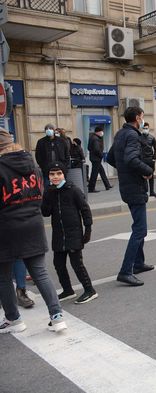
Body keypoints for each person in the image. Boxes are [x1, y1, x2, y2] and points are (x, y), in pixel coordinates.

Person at [0, 129, 67, 333]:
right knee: (40, 272)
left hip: (6, 227)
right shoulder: (33, 166)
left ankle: (14, 319)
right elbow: (40, 194)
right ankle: (57, 317)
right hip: (33, 223)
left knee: (3, 277)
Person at [107, 107, 154, 287]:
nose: (143, 120)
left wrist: (125, 172)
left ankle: (138, 263)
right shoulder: (133, 136)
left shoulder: (121, 134)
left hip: (127, 186)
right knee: (140, 229)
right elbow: (131, 159)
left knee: (138, 225)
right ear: (137, 118)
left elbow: (111, 158)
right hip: (135, 187)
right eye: (142, 116)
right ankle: (126, 271)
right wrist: (147, 171)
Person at [41, 162, 97, 304]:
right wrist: (46, 196)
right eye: (52, 174)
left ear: (64, 174)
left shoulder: (73, 190)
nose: (55, 177)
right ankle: (67, 290)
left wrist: (88, 229)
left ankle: (89, 290)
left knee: (76, 263)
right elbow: (45, 213)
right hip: (59, 234)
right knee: (58, 263)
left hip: (74, 233)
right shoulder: (49, 191)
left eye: (58, 173)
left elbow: (85, 209)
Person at [87, 125, 112, 192]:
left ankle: (107, 185)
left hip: (94, 158)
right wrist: (101, 155)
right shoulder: (95, 139)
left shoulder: (92, 137)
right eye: (101, 131)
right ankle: (91, 188)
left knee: (102, 172)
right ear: (98, 132)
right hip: (96, 158)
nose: (102, 133)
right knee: (94, 174)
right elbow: (96, 149)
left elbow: (89, 148)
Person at [140, 122, 156, 198]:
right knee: (143, 176)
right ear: (142, 129)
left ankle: (152, 192)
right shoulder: (139, 137)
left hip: (150, 159)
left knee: (151, 176)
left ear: (149, 128)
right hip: (142, 160)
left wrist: (154, 158)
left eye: (146, 128)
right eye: (144, 128)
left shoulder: (152, 137)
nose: (145, 129)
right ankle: (144, 192)